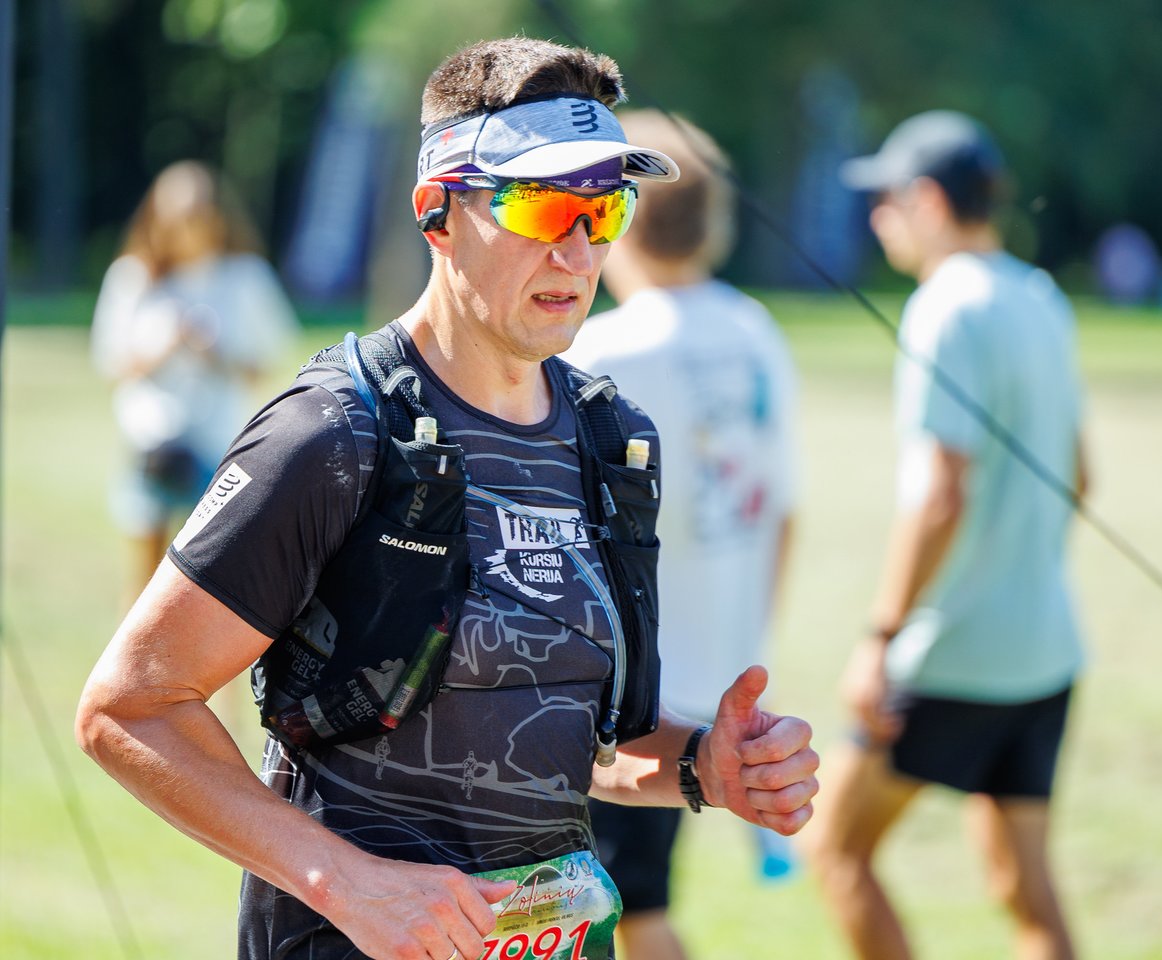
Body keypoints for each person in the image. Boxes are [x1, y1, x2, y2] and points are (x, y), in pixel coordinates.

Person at [75, 37, 818, 960]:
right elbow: (130, 707)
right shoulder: (333, 432)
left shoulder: (613, 439)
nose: (577, 250)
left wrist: (706, 765)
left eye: (604, 209)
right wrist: (346, 882)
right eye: (542, 205)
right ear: (437, 212)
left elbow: (575, 738)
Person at [808, 111, 1088, 960]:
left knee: (836, 851)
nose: (877, 218)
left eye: (887, 200)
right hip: (1045, 650)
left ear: (928, 202)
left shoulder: (943, 308)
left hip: (951, 657)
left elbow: (939, 497)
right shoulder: (1040, 296)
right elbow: (1081, 476)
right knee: (1023, 890)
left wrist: (880, 638)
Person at [562, 111, 800, 960]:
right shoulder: (755, 330)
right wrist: (748, 636)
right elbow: (785, 511)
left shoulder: (602, 347)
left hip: (634, 698)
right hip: (720, 676)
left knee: (633, 914)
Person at [90, 160, 299, 601]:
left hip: (220, 443)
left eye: (197, 215)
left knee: (209, 578)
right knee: (145, 578)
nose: (187, 227)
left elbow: (266, 362)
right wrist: (163, 347)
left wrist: (214, 351)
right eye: (177, 217)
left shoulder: (245, 277)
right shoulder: (134, 277)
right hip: (151, 440)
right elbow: (111, 363)